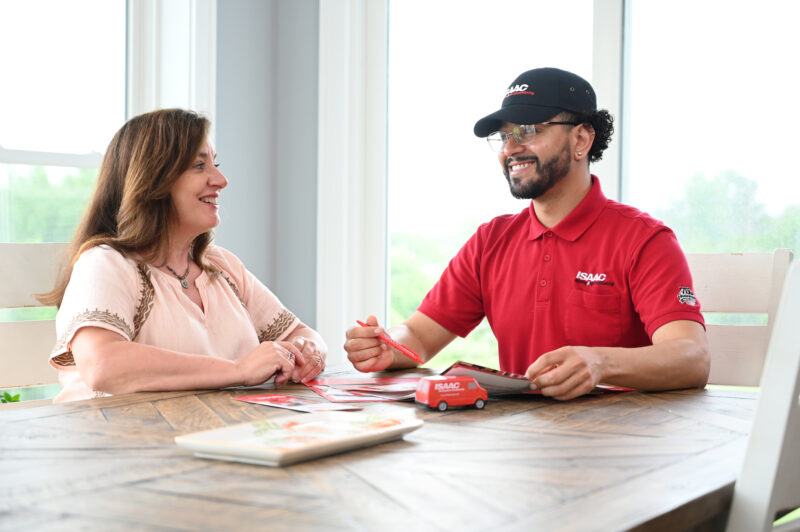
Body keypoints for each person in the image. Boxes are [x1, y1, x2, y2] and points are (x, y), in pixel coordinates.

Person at [344, 67, 709, 400]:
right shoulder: (491, 241)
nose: (510, 148)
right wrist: (387, 347)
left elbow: (692, 358)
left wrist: (600, 363)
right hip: (518, 446)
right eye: (504, 136)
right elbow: (420, 337)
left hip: (619, 448)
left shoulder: (643, 240)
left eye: (529, 131)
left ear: (581, 139)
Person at [41, 109, 327, 402]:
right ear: (153, 180)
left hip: (215, 436)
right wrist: (239, 369)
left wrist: (309, 352)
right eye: (199, 166)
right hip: (119, 442)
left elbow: (300, 333)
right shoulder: (105, 263)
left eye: (214, 164)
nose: (220, 180)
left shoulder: (222, 266)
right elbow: (103, 365)